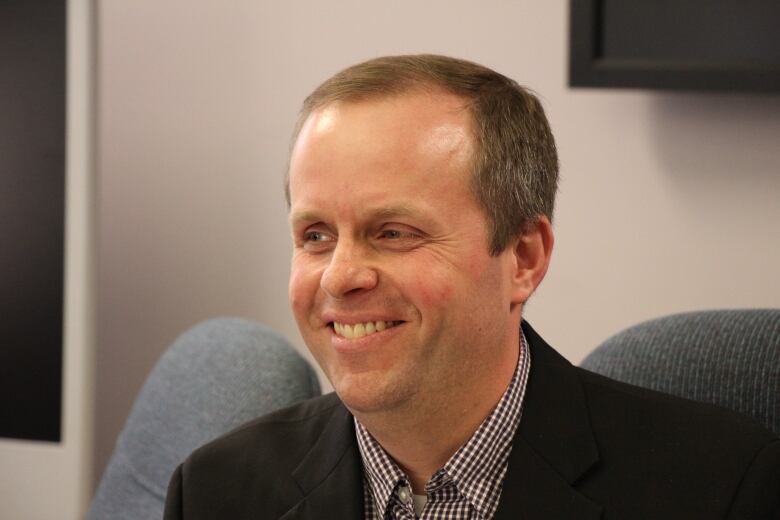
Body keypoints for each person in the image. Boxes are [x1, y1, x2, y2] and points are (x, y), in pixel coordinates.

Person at [164, 55, 780, 519]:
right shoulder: (216, 493)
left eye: (395, 232)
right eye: (316, 236)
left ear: (523, 258)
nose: (341, 276)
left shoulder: (721, 486)